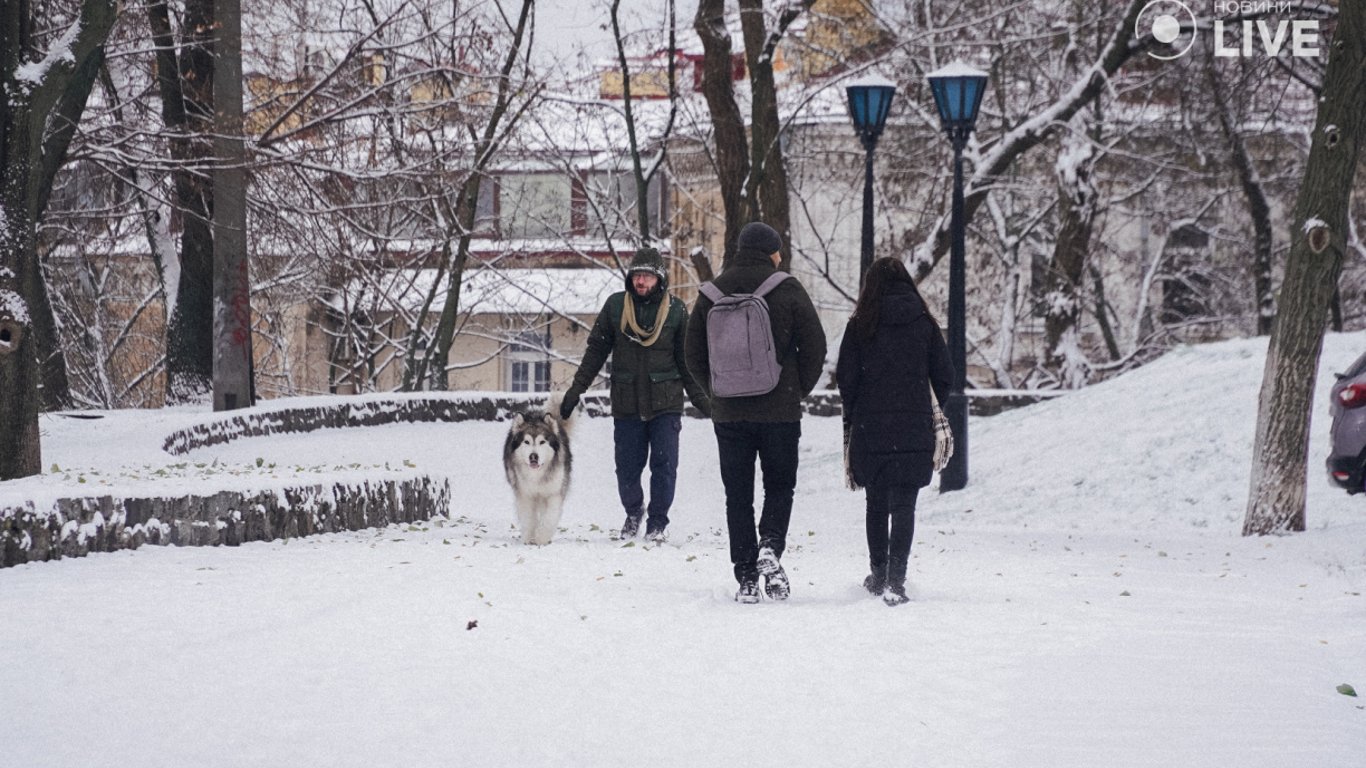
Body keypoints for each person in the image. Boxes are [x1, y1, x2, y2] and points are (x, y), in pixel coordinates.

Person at [685, 222, 827, 603]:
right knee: (779, 485)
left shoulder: (712, 292)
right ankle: (771, 545)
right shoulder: (787, 288)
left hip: (730, 415)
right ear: (772, 253)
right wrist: (795, 390)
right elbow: (816, 346)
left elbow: (692, 353)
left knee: (738, 495)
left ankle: (747, 577)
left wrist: (718, 391)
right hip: (780, 412)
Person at [561, 247, 710, 543]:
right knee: (627, 470)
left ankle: (657, 523)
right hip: (627, 403)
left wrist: (702, 399)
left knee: (664, 467)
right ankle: (633, 511)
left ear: (660, 279)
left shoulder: (676, 311)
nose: (641, 281)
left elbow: (687, 361)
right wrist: (576, 389)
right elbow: (596, 352)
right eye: (637, 275)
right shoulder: (616, 307)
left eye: (647, 276)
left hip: (665, 403)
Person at [835, 256, 953, 606]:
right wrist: (921, 402)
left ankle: (878, 574)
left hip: (871, 426)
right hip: (914, 425)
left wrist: (860, 407)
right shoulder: (924, 323)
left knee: (875, 503)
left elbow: (846, 378)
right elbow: (944, 375)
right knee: (904, 505)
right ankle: (896, 581)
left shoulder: (860, 324)